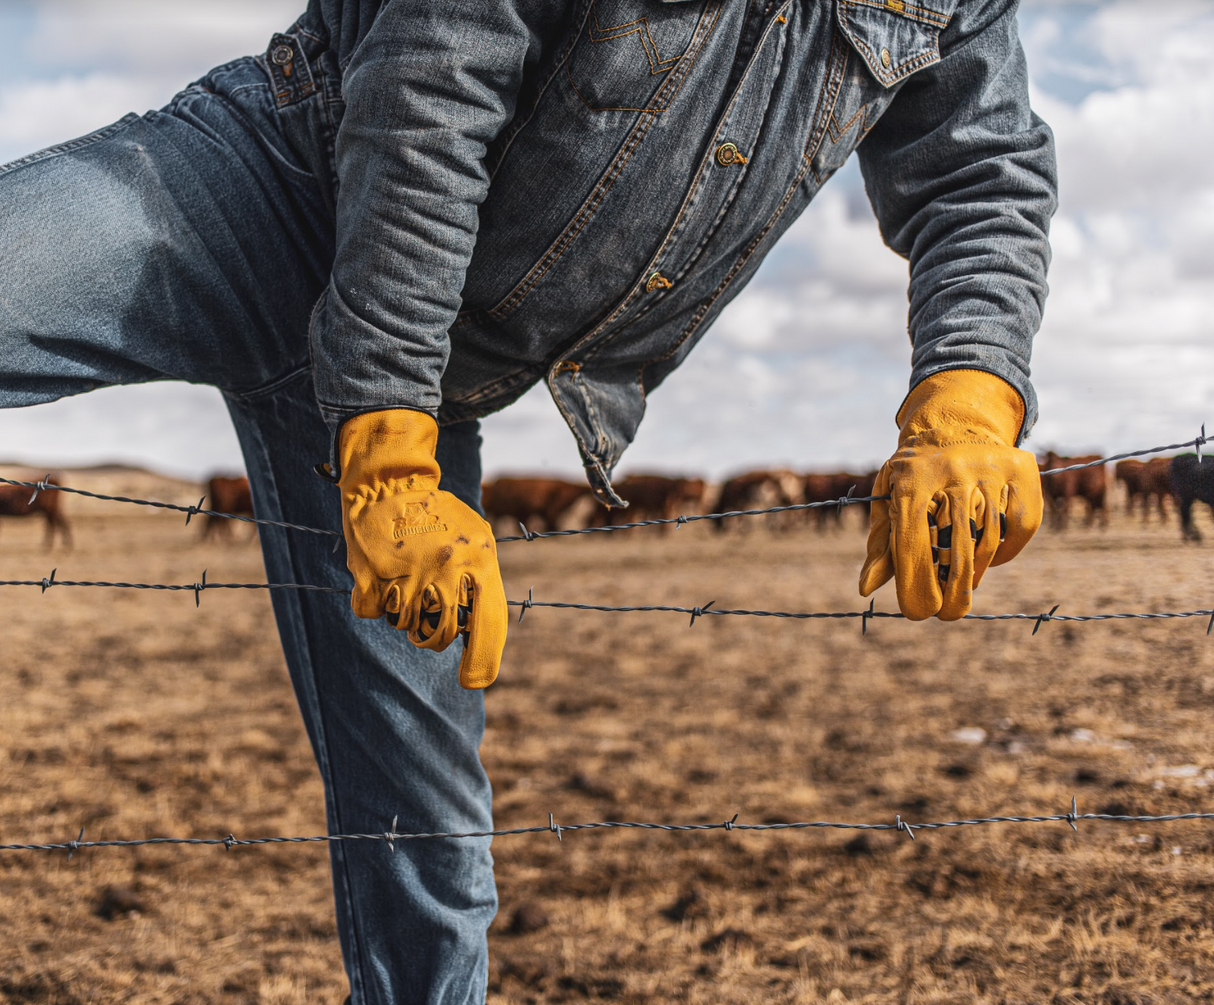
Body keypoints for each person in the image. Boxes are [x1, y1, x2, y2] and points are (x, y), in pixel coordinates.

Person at [0, 0, 1054, 1001]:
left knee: (429, 835)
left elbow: (980, 172)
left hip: (426, 373)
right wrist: (388, 435)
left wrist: (965, 396)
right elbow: (432, 75)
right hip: (267, 192)